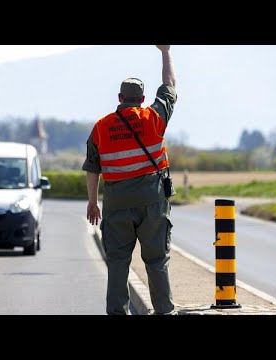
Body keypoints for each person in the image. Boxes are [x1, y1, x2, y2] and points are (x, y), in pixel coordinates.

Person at [82, 45, 177, 315]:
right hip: (152, 199)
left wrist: (92, 202)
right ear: (143, 98)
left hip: (116, 201)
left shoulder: (101, 127)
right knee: (157, 260)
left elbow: (93, 167)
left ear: (120, 97)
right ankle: (164, 312)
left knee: (118, 261)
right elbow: (169, 83)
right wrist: (165, 51)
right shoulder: (154, 117)